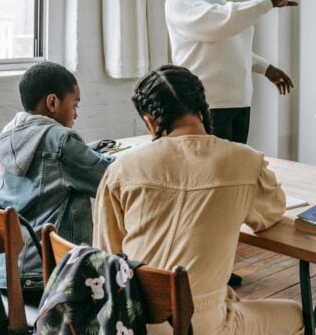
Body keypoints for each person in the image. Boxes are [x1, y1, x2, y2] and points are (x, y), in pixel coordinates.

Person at [92, 65, 304, 335]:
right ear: (203, 107)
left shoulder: (121, 168)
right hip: (199, 324)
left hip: (129, 319)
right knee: (297, 314)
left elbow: (107, 253)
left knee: (228, 297)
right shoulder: (245, 160)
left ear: (150, 121)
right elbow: (270, 213)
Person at [165, 0, 303, 145]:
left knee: (235, 175)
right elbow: (222, 23)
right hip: (206, 105)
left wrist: (265, 68)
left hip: (238, 102)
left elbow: (229, 45)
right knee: (215, 176)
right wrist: (269, 1)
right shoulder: (179, 2)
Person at [0, 61, 115, 302]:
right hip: (45, 274)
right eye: (74, 105)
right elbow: (108, 178)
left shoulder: (13, 133)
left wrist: (84, 151)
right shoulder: (60, 141)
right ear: (53, 102)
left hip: (6, 271)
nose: (76, 113)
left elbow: (52, 165)